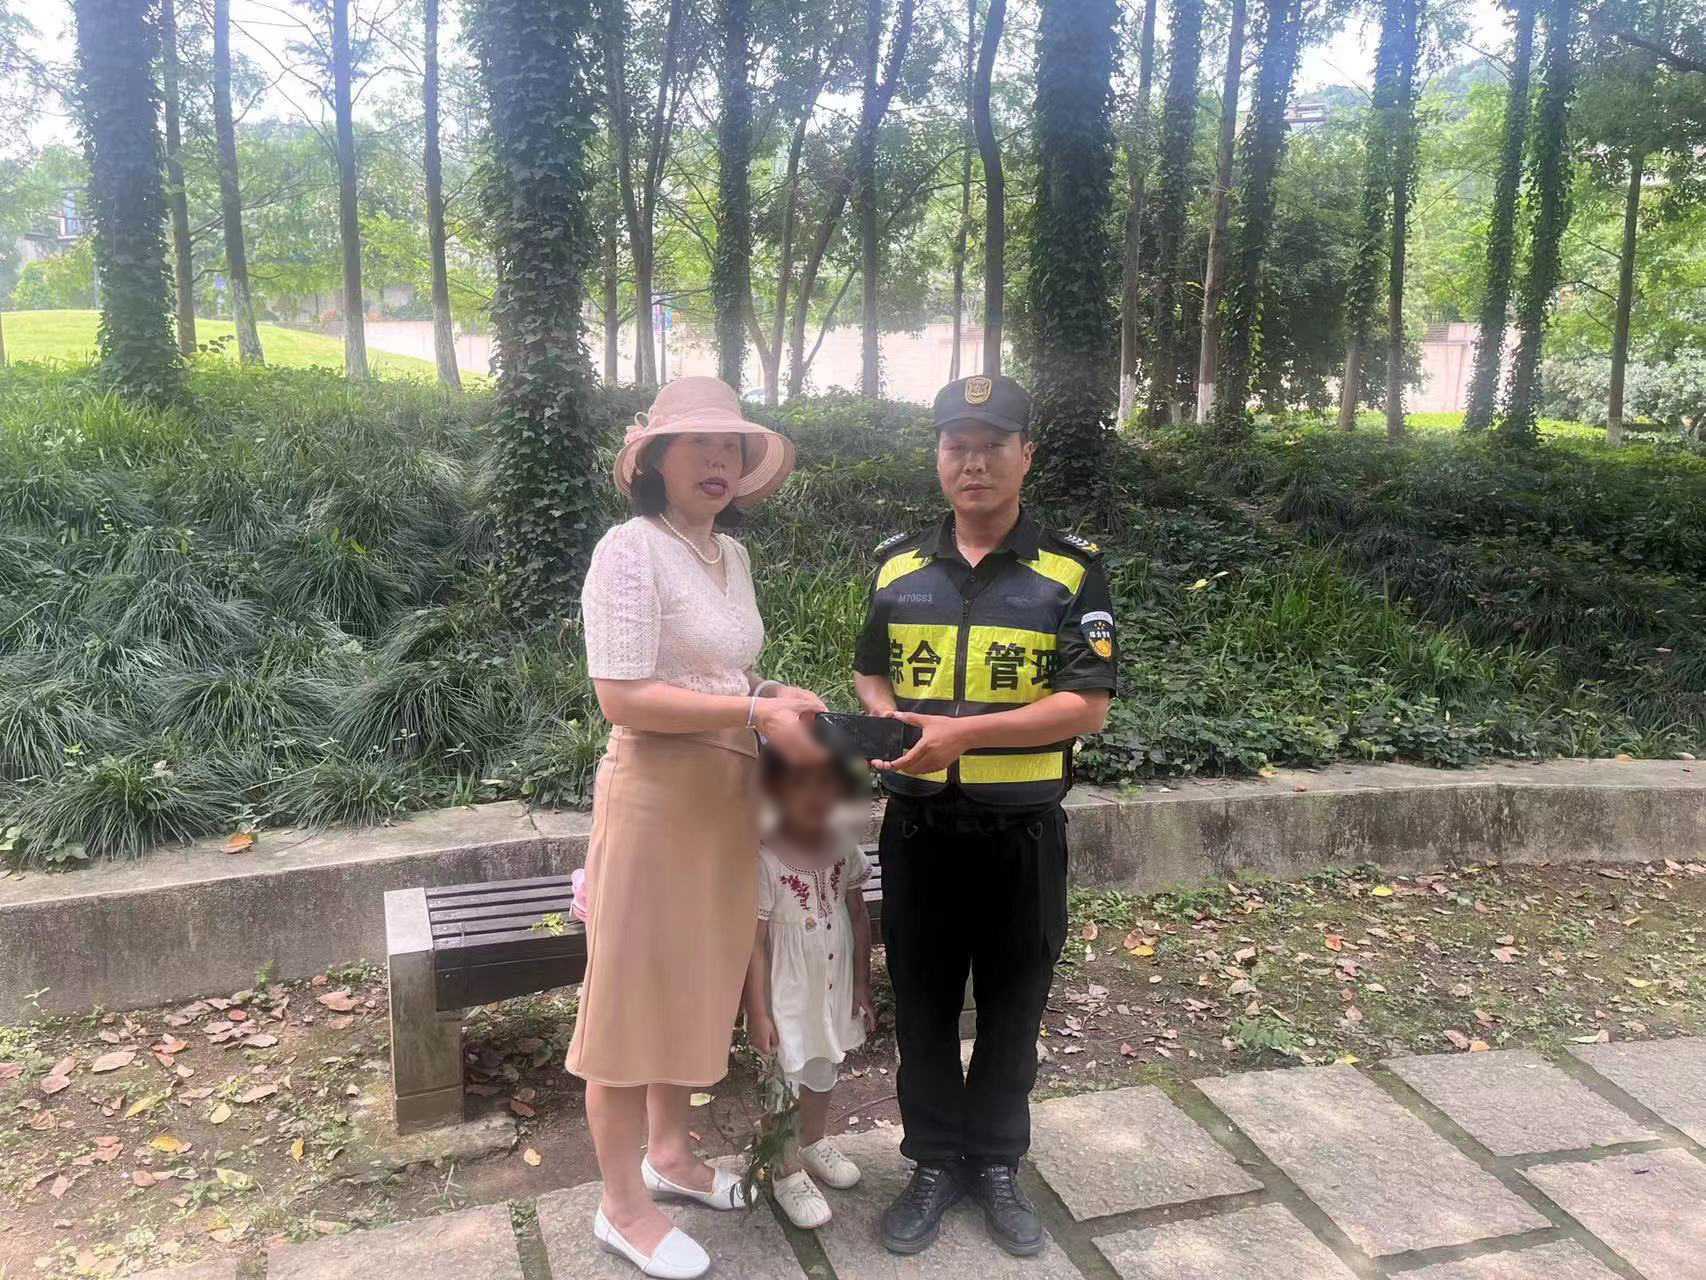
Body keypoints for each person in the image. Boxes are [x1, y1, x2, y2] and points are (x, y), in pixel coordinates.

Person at [852, 373, 1119, 1257]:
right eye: (956, 446)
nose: (972, 463)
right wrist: (889, 716)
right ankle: (933, 1162)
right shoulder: (898, 564)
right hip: (919, 829)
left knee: (1013, 1004)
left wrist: (961, 736)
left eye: (991, 446)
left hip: (1020, 833)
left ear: (1025, 456)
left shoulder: (1070, 570)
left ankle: (997, 1162)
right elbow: (869, 670)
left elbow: (1086, 706)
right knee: (922, 1004)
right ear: (938, 457)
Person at [568, 375, 829, 1280]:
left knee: (694, 982)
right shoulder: (629, 549)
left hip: (727, 792)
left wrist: (768, 693)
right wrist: (753, 713)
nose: (720, 462)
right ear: (655, 459)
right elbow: (623, 695)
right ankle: (620, 1205)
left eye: (733, 449)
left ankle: (670, 1155)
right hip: (654, 797)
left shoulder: (729, 555)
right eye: (701, 446)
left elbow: (719, 674)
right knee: (630, 997)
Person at [741, 747, 876, 1230]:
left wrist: (862, 983)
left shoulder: (843, 849)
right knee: (783, 1078)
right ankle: (784, 1168)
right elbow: (754, 943)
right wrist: (758, 1011)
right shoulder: (765, 861)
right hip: (786, 991)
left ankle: (813, 1140)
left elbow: (858, 915)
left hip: (833, 984)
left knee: (823, 1065)